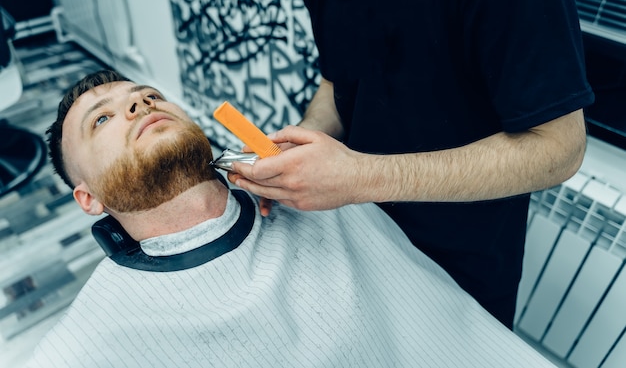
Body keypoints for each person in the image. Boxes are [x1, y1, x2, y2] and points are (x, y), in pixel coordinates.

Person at [26, 70, 557, 367]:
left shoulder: (319, 198)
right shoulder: (89, 341)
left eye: (147, 96)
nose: (139, 106)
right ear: (88, 199)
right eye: (103, 119)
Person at [221, 0, 595, 327]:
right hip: (360, 247)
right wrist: (303, 145)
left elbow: (559, 148)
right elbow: (340, 82)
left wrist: (357, 177)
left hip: (453, 280)